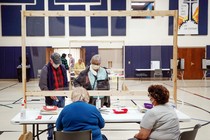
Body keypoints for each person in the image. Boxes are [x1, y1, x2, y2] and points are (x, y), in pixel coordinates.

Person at [39, 52, 68, 140]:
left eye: (58, 63)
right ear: (51, 60)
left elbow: (65, 81)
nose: (57, 65)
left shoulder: (62, 67)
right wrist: (49, 93)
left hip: (61, 96)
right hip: (51, 98)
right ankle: (50, 136)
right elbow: (42, 85)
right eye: (55, 63)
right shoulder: (46, 69)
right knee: (50, 119)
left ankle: (60, 136)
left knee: (61, 116)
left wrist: (66, 91)